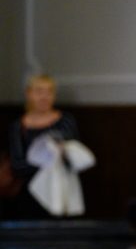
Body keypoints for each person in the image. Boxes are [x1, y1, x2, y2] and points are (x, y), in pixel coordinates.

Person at [6, 74, 80, 219]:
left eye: (49, 92)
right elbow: (17, 165)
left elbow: (76, 157)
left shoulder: (65, 121)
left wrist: (61, 154)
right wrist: (49, 160)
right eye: (39, 91)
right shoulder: (17, 126)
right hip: (29, 195)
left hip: (62, 191)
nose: (44, 97)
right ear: (29, 94)